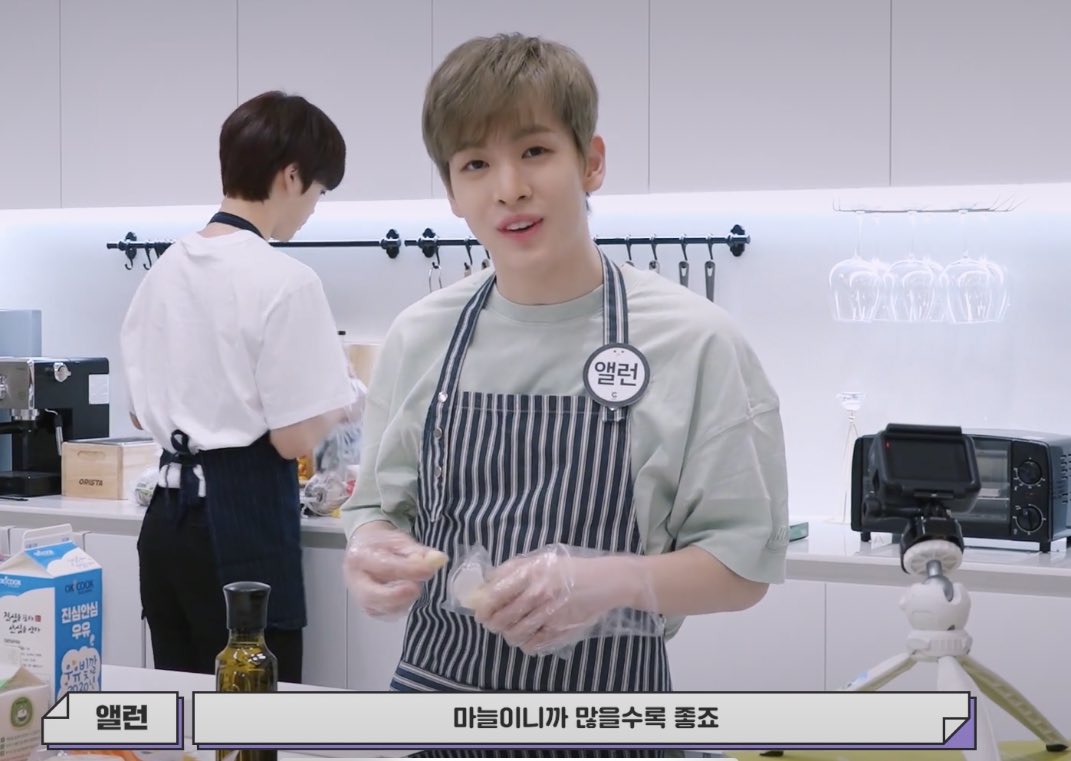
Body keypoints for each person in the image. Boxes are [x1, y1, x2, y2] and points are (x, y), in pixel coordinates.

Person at [341, 32, 789, 753]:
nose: (509, 188)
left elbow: (743, 569)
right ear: (451, 191)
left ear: (591, 162)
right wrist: (371, 551)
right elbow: (374, 509)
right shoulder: (420, 336)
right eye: (475, 163)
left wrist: (612, 581)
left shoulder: (695, 341)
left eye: (535, 151)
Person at [120, 90, 360, 684]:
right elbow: (291, 440)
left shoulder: (163, 270)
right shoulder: (287, 279)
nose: (312, 209)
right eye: (318, 192)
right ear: (291, 176)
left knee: (184, 704)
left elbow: (139, 414)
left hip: (165, 527)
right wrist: (343, 401)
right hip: (239, 525)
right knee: (253, 712)